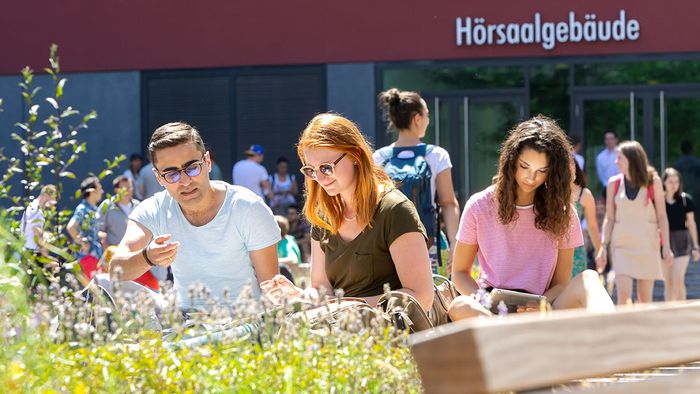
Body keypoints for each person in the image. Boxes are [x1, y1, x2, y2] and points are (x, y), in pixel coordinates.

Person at [448, 116, 615, 320]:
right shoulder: (479, 205)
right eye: (525, 166)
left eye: (541, 171)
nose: (531, 177)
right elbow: (459, 273)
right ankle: (504, 330)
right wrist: (485, 301)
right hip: (490, 306)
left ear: (553, 172)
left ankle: (614, 337)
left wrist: (542, 305)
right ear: (511, 161)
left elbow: (561, 283)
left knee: (589, 278)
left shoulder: (564, 212)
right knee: (459, 305)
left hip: (543, 307)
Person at [266, 113, 434, 311]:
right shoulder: (322, 215)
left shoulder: (395, 210)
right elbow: (321, 290)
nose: (319, 178)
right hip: (338, 332)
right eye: (311, 170)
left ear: (355, 154)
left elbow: (421, 296)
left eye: (326, 168)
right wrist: (300, 295)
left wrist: (347, 306)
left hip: (390, 335)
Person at [109, 122, 281, 310]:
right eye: (171, 174)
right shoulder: (154, 208)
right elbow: (116, 270)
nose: (184, 181)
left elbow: (271, 288)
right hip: (182, 321)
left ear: (207, 162)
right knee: (100, 287)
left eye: (192, 168)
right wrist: (147, 257)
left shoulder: (247, 207)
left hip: (240, 323)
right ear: (158, 177)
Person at [374, 88, 460, 272]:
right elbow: (448, 203)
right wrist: (454, 244)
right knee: (437, 297)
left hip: (389, 246)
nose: (428, 120)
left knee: (396, 297)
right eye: (427, 115)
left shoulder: (379, 158)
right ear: (417, 118)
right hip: (429, 244)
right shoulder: (436, 155)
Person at [596, 141, 673, 305]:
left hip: (647, 245)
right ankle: (624, 330)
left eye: (619, 158)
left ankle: (644, 331)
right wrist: (603, 246)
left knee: (645, 300)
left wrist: (666, 246)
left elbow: (662, 216)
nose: (616, 162)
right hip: (622, 246)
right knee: (623, 295)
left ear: (632, 159)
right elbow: (609, 218)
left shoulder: (654, 182)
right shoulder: (613, 184)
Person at [96, 175, 159, 291]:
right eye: (125, 188)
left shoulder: (139, 206)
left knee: (150, 291)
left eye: (130, 187)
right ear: (116, 190)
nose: (128, 190)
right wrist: (104, 244)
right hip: (114, 259)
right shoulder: (107, 206)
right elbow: (96, 229)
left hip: (139, 259)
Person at [661, 168, 699, 301]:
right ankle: (669, 314)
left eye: (676, 181)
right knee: (668, 282)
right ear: (664, 182)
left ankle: (681, 310)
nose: (674, 185)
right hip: (664, 242)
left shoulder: (685, 200)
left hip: (682, 241)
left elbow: (691, 223)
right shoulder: (658, 201)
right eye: (670, 181)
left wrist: (696, 246)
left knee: (678, 279)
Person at [67, 176, 106, 278]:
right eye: (99, 189)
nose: (102, 191)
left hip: (96, 257)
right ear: (92, 191)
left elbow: (89, 230)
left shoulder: (94, 209)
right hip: (87, 258)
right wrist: (83, 244)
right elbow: (71, 227)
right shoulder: (82, 208)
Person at [571, 161, 601, 277]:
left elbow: (592, 226)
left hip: (576, 251)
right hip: (553, 250)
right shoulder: (550, 191)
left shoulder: (584, 194)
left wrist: (599, 252)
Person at [21, 184, 57, 257]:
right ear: (46, 196)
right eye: (53, 199)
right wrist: (47, 259)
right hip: (32, 254)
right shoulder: (36, 210)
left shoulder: (32, 207)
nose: (54, 202)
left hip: (27, 252)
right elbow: (36, 233)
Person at [674, 139, 700, 236]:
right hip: (697, 197)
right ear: (691, 149)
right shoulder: (698, 163)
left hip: (682, 197)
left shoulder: (677, 165)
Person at [595, 130, 620, 200]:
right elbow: (601, 175)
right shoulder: (600, 157)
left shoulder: (622, 154)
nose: (609, 141)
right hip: (607, 188)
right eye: (607, 139)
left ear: (616, 140)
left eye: (611, 139)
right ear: (605, 141)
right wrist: (608, 185)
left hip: (622, 187)